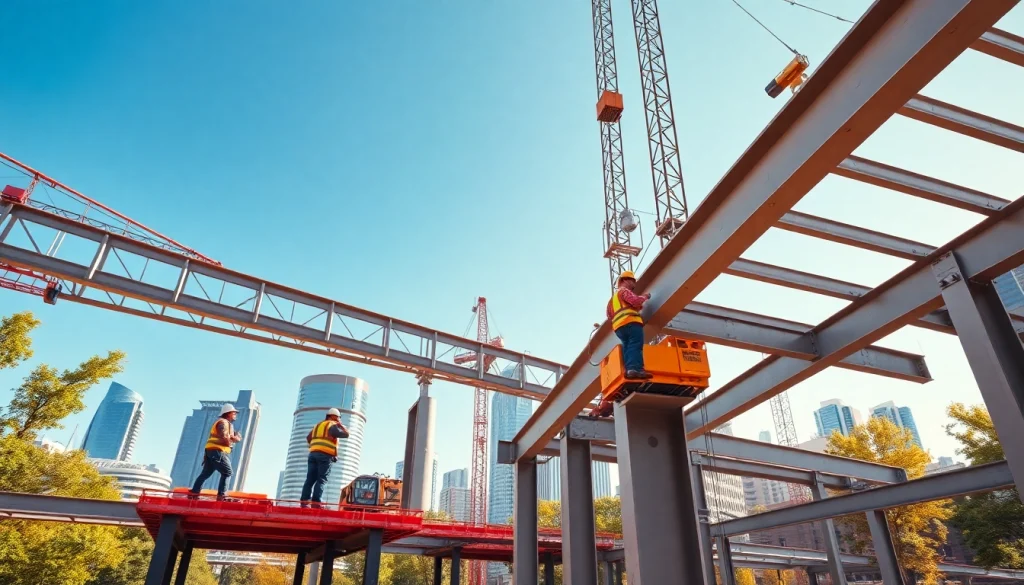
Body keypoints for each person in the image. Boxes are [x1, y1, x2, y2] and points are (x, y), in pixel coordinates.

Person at [606, 270, 652, 379]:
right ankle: (635, 369)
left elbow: (609, 316)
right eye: (632, 281)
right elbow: (635, 301)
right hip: (631, 322)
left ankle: (629, 370)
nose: (634, 285)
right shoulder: (624, 291)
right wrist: (645, 297)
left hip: (619, 328)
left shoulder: (611, 301)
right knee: (635, 344)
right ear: (625, 280)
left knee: (627, 347)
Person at [190, 403, 242, 499]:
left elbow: (225, 436)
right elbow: (224, 436)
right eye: (234, 413)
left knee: (205, 473)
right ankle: (222, 496)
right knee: (227, 472)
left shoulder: (225, 424)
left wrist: (234, 437)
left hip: (212, 451)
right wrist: (234, 440)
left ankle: (194, 493)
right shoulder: (223, 422)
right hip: (218, 451)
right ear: (228, 413)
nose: (235, 415)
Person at [300, 407, 350, 507]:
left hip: (313, 454)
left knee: (310, 479)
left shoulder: (318, 425)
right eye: (338, 418)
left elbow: (308, 438)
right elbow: (346, 434)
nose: (339, 420)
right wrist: (342, 427)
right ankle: (316, 503)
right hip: (325, 456)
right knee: (321, 479)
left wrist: (315, 446)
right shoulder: (332, 425)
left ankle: (304, 501)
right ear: (333, 416)